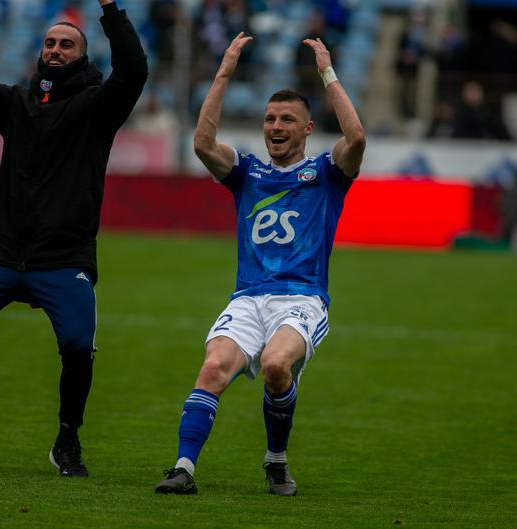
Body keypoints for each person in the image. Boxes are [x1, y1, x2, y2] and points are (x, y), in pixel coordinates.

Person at [0, 0, 147, 476]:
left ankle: (68, 438)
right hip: (2, 251)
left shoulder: (96, 108)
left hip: (63, 257)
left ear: (83, 55)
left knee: (76, 346)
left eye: (67, 44)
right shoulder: (18, 104)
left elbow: (133, 71)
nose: (55, 50)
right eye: (49, 43)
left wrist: (110, 9)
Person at [155, 32, 365, 496]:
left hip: (303, 298)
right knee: (212, 368)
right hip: (249, 297)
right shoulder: (248, 171)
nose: (276, 125)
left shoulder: (327, 174)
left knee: (275, 365)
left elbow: (357, 137)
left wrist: (327, 73)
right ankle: (183, 469)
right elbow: (203, 142)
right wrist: (226, 71)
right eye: (271, 118)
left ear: (307, 129)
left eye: (288, 118)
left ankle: (275, 461)